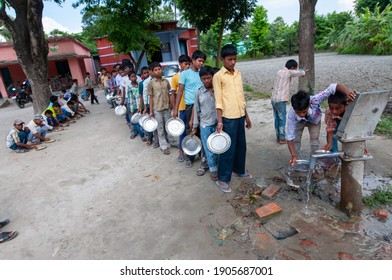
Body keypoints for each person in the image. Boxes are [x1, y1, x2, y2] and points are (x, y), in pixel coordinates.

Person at [213, 44, 252, 193]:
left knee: (241, 146)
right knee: (227, 149)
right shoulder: (218, 76)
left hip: (240, 115)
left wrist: (247, 117)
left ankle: (239, 170)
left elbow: (241, 97)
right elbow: (218, 101)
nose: (233, 62)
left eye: (235, 59)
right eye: (230, 59)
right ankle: (222, 178)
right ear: (222, 59)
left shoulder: (238, 73)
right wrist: (220, 121)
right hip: (227, 118)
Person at [287, 84, 356, 165]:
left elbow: (333, 87)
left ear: (309, 105)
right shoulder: (291, 117)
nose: (302, 114)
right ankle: (296, 162)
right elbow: (289, 138)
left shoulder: (315, 100)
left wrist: (348, 93)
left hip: (314, 120)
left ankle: (314, 162)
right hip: (298, 122)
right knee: (296, 140)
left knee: (314, 141)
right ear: (293, 108)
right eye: (298, 112)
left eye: (304, 111)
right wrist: (293, 155)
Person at [173, 50, 206, 167]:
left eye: (203, 61)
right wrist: (175, 109)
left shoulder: (203, 73)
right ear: (193, 60)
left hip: (203, 106)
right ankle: (190, 156)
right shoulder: (185, 74)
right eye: (199, 61)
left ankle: (203, 156)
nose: (201, 63)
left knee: (203, 131)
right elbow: (180, 91)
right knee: (190, 130)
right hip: (189, 106)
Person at [191, 66, 218, 181]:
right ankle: (212, 169)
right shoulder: (199, 93)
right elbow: (196, 109)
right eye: (204, 79)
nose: (207, 81)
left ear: (213, 77)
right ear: (201, 79)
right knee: (207, 148)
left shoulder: (218, 90)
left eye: (209, 78)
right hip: (205, 124)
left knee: (218, 146)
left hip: (218, 124)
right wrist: (194, 127)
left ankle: (218, 166)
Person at [271, 59, 305, 144]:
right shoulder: (288, 72)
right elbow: (301, 73)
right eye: (295, 68)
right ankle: (282, 138)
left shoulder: (279, 71)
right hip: (280, 100)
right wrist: (302, 71)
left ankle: (278, 137)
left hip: (274, 99)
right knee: (282, 119)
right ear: (292, 68)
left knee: (277, 119)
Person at [147, 62, 171, 155]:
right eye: (155, 70)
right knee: (160, 128)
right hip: (157, 109)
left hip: (166, 107)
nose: (158, 71)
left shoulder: (166, 81)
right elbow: (151, 97)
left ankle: (170, 142)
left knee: (168, 126)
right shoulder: (151, 83)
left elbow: (169, 93)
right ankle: (163, 146)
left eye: (159, 69)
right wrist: (151, 111)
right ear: (152, 72)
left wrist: (171, 104)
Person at [171, 54, 192, 162]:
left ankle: (190, 153)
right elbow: (173, 94)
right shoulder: (175, 78)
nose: (187, 66)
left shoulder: (192, 76)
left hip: (191, 108)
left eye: (189, 64)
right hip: (182, 108)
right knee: (182, 131)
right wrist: (175, 109)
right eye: (185, 64)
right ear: (180, 64)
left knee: (191, 131)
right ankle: (181, 152)